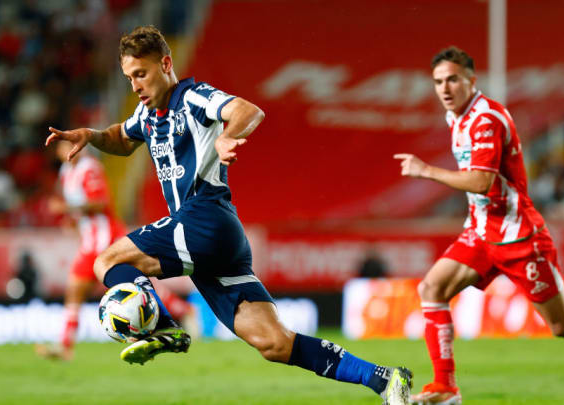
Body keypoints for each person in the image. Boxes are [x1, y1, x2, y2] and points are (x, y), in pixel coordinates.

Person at [44, 25, 412, 404]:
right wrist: (90, 135)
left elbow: (248, 111)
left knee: (107, 260)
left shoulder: (193, 97)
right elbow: (121, 139)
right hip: (215, 241)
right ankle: (384, 380)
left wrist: (226, 135)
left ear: (166, 63)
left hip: (203, 217)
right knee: (274, 343)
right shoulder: (147, 114)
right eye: (129, 77)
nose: (135, 84)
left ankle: (165, 327)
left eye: (142, 73)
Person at [393, 46, 564, 405]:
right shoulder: (456, 117)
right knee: (432, 289)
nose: (445, 89)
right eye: (438, 82)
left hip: (519, 237)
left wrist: (425, 170)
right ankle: (445, 388)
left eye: (453, 80)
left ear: (472, 80)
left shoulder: (486, 119)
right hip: (480, 230)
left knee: (562, 325)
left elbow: (481, 182)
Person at [36, 142, 127, 360]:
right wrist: (72, 221)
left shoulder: (90, 168)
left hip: (104, 238)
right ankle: (65, 346)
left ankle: (65, 346)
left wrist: (66, 209)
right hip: (91, 240)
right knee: (78, 289)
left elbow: (99, 203)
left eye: (70, 146)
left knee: (124, 286)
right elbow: (81, 208)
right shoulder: (66, 172)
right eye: (62, 149)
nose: (67, 152)